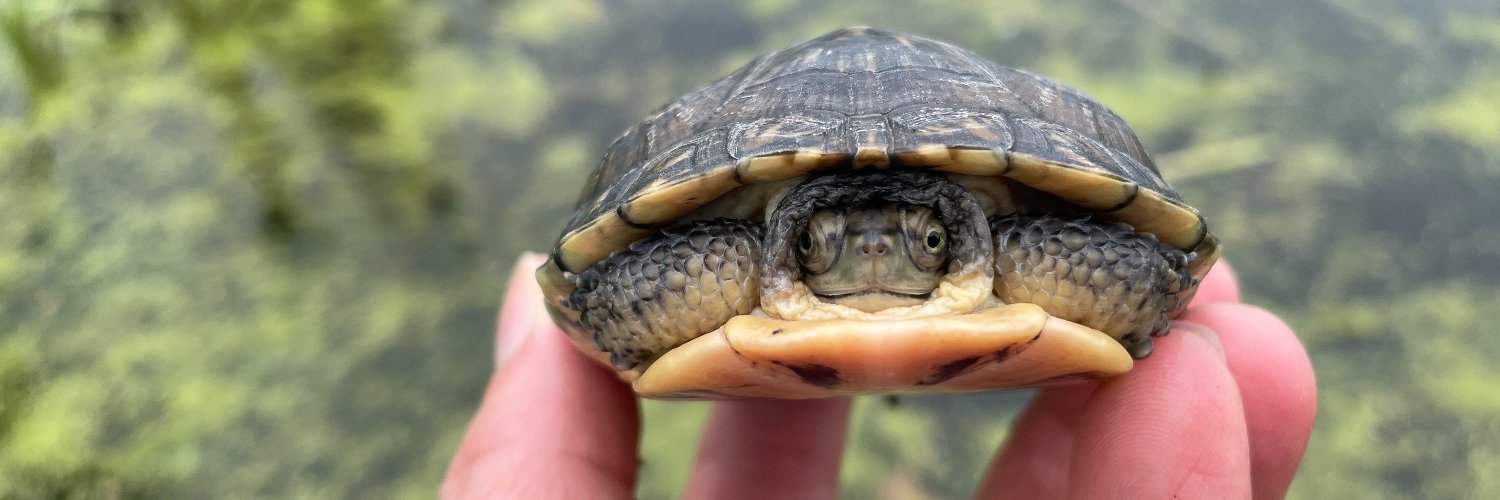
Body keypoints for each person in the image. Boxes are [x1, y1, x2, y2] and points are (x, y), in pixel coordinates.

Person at [443, 254, 1316, 499]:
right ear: (793, 243)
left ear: (960, 239)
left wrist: (1142, 282)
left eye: (924, 240)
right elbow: (599, 295)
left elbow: (1148, 264)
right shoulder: (730, 268)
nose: (875, 259)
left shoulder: (1020, 260)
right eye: (831, 243)